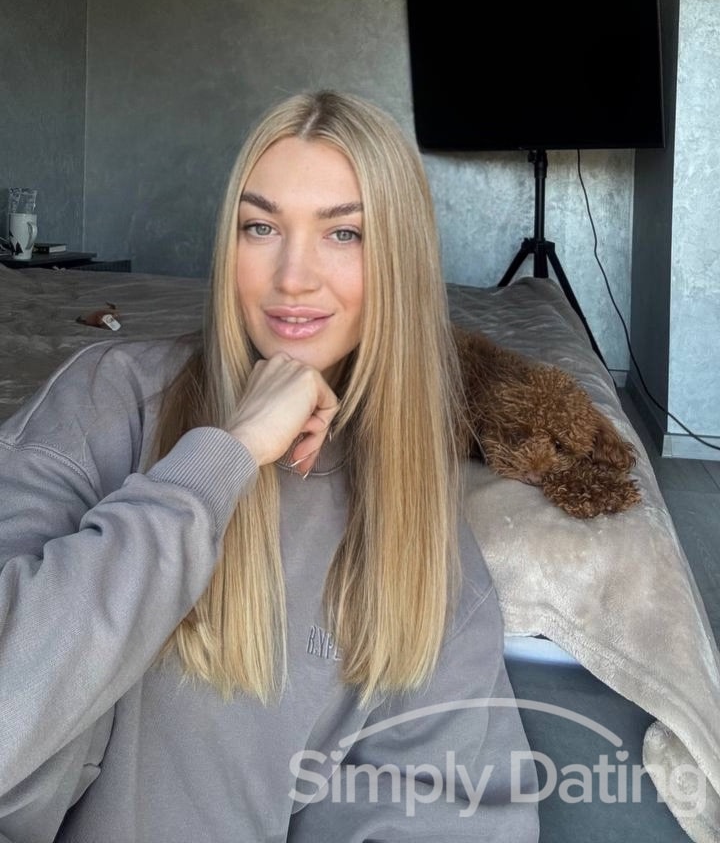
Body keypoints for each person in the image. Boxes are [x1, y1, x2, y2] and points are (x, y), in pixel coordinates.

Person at [0, 90, 539, 842]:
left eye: (343, 233)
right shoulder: (103, 400)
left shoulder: (421, 536)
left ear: (400, 262)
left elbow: (445, 810)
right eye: (261, 227)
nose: (292, 277)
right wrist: (225, 456)